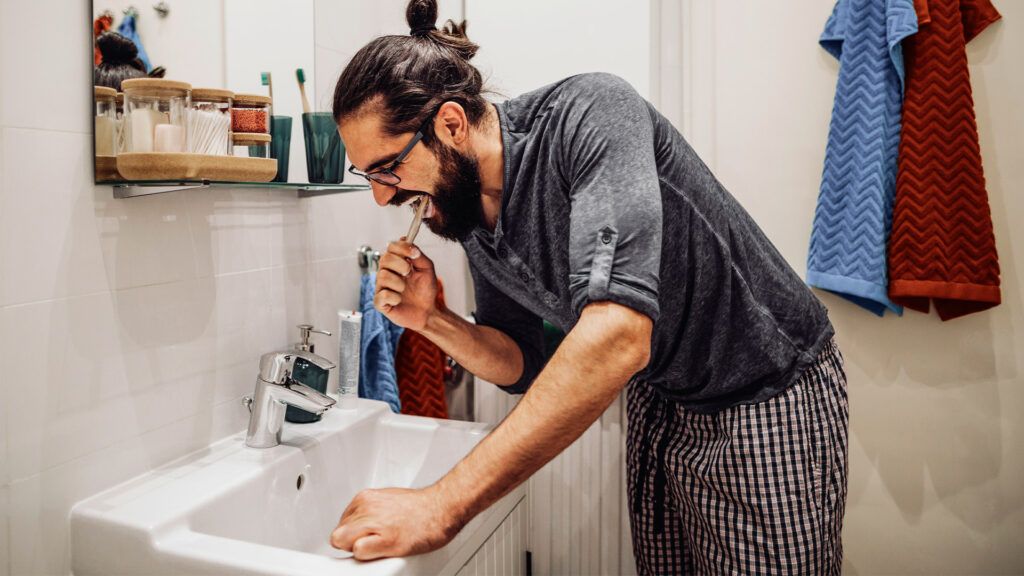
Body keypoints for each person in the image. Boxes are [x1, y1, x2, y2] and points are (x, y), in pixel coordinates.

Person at [329, 1, 848, 573]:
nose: (382, 196)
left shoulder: (592, 113)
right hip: (663, 396)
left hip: (764, 386)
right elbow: (522, 360)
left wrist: (442, 505)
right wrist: (432, 321)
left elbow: (620, 334)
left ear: (450, 125)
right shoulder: (467, 210)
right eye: (369, 177)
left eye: (387, 168)